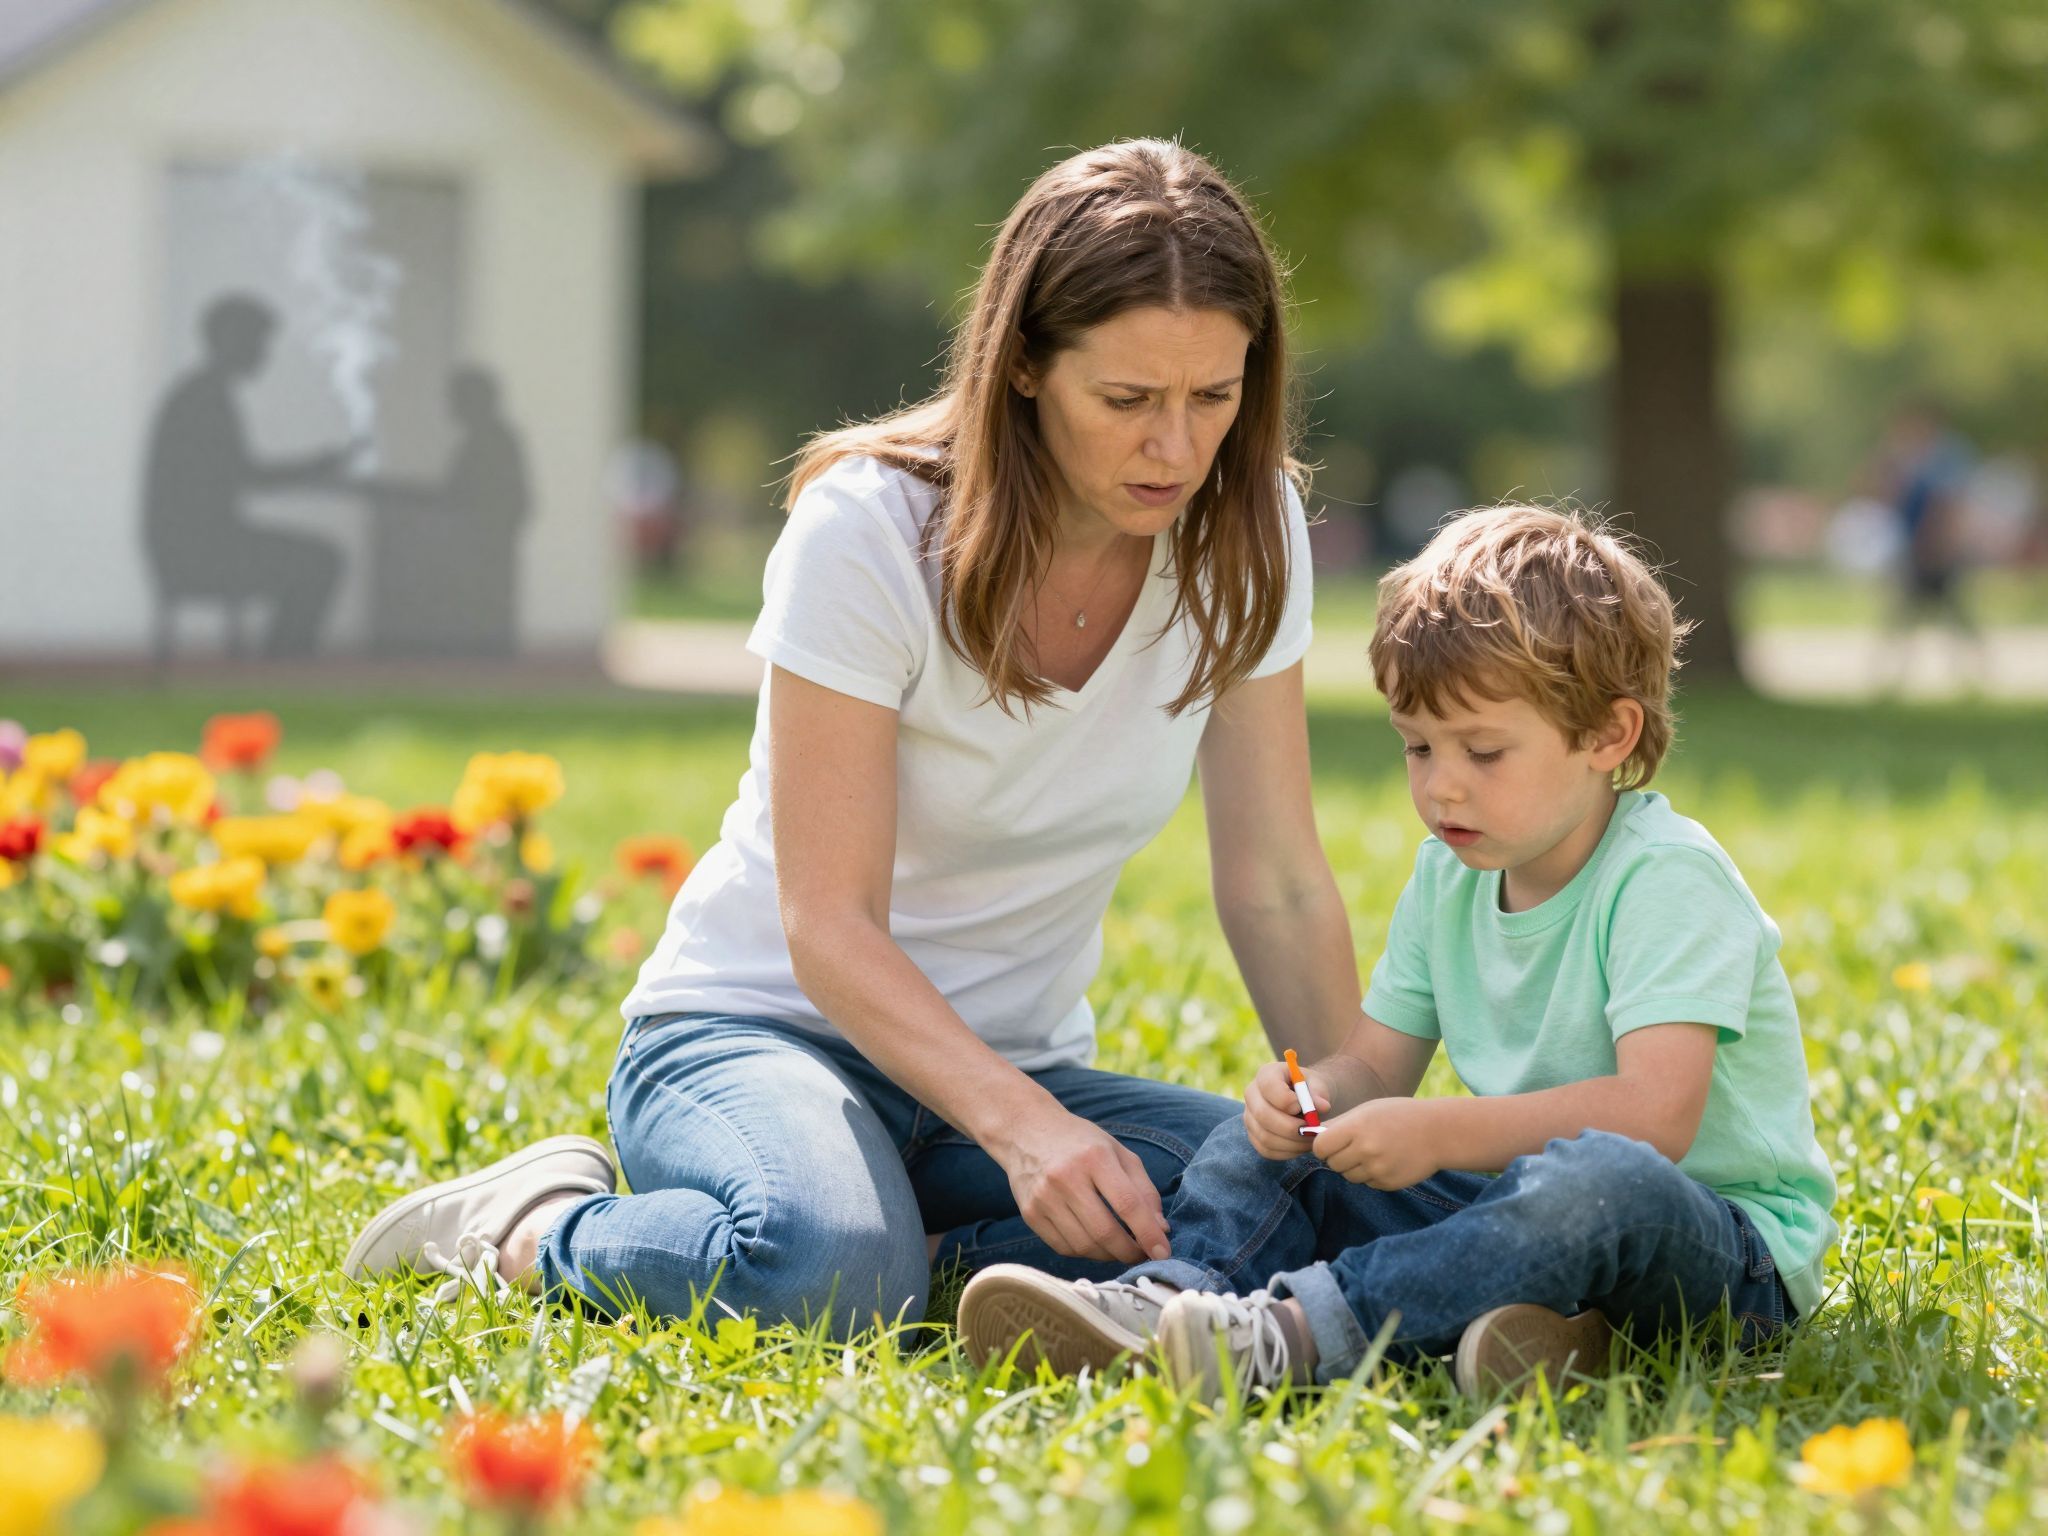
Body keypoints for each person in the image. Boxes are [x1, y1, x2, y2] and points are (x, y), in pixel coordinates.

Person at [343, 140, 1371, 1335]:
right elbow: (824, 924)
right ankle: (529, 1227)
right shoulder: (871, 531)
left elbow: (1279, 883)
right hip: (757, 1034)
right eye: (1127, 400)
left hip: (1013, 1063)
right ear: (1025, 367)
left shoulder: (1246, 533)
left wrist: (1342, 1117)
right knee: (823, 1270)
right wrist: (1024, 1128)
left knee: (1303, 1201)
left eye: (1214, 397)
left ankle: (937, 1254)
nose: (1175, 449)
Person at [957, 505, 1839, 1400]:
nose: (1441, 784)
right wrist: (1313, 1100)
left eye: (1484, 751)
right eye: (1418, 747)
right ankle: (1175, 1305)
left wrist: (1440, 1131)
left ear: (1608, 736)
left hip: (1724, 1255)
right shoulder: (1449, 875)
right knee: (1262, 1144)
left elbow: (1655, 1117)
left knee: (1598, 1182)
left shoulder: (1666, 879)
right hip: (1520, 1206)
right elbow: (1377, 1064)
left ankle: (1288, 1338)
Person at [142, 293, 360, 661]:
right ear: (230, 339)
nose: (264, 353)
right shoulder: (204, 400)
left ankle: (278, 665)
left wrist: (314, 469)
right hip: (200, 549)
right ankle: (282, 669)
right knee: (321, 562)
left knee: (317, 560)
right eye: (258, 341)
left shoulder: (200, 395)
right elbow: (245, 477)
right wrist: (315, 468)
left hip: (191, 544)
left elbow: (236, 475)